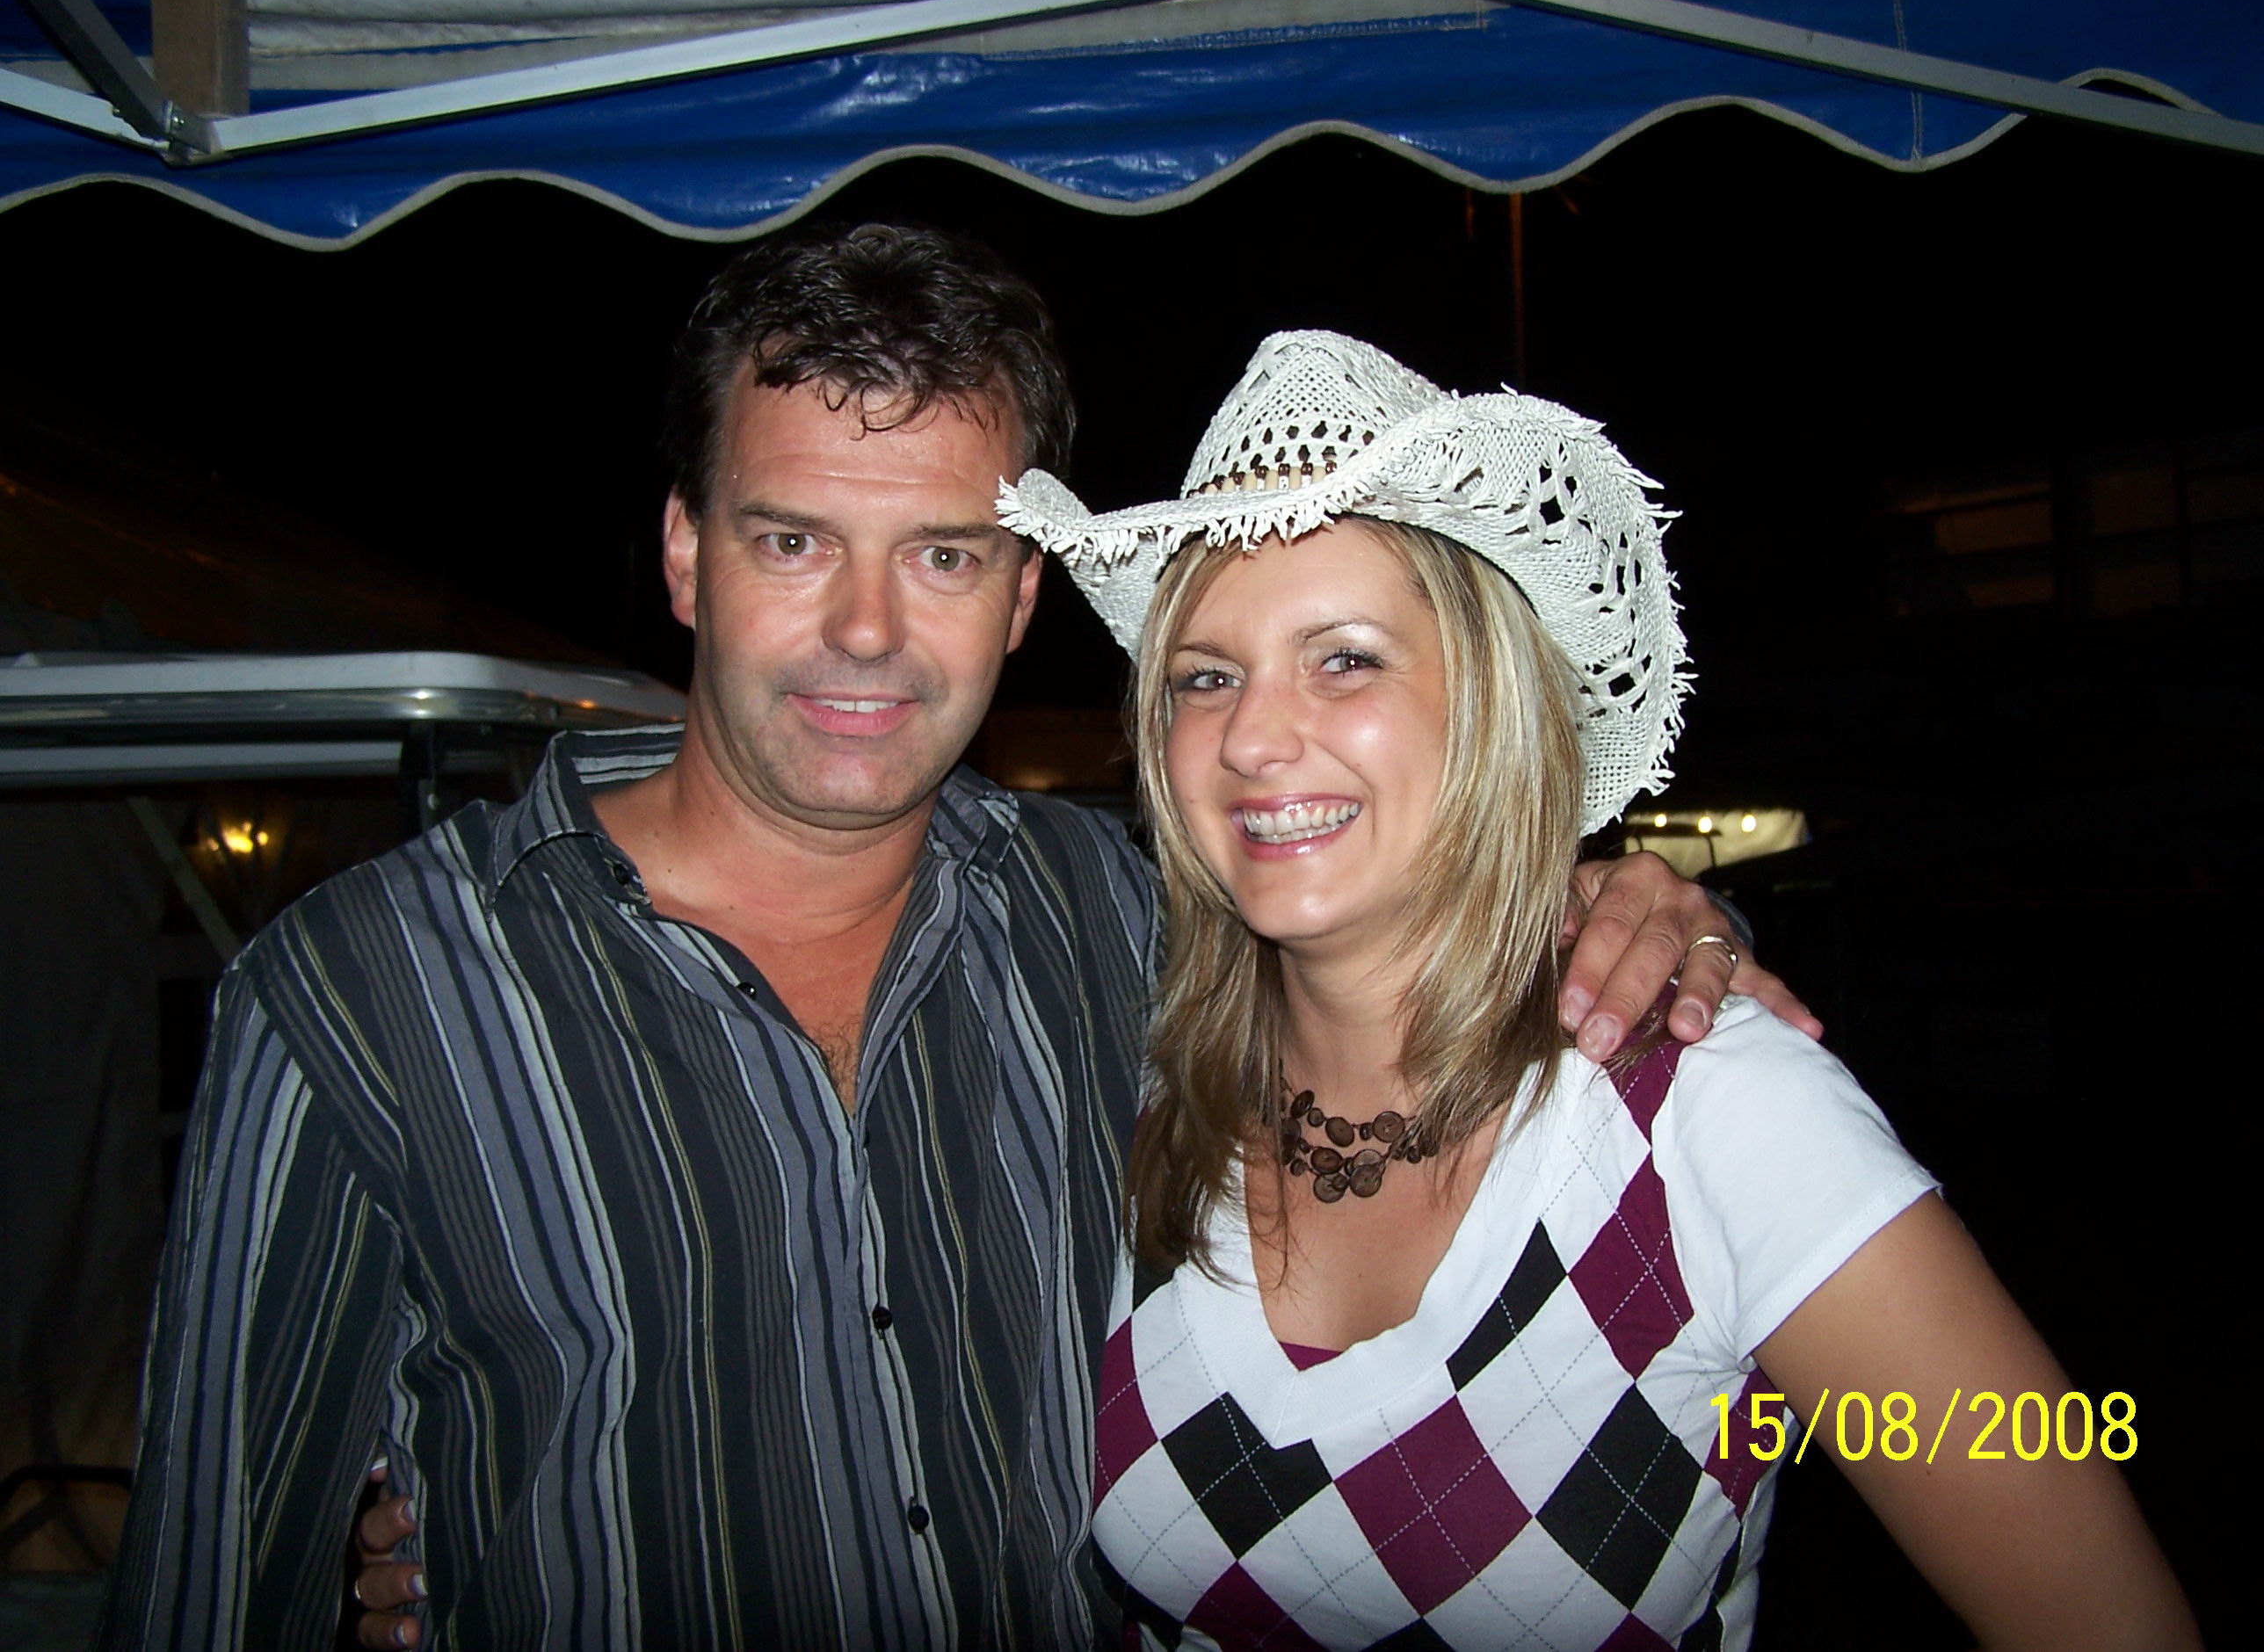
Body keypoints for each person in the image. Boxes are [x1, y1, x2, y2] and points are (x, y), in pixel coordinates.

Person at [102, 228, 1798, 1651]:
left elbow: (1406, 921)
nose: (865, 628)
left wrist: (1641, 903)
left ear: (1021, 594)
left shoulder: (1126, 916)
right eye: (792, 541)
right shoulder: (355, 997)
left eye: (942, 553)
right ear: (687, 556)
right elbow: (212, 1586)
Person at [993, 331, 2200, 1649]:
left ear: (1491, 704)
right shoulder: (1134, 1090)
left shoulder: (1718, 1115)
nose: (1251, 735)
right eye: (1206, 677)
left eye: (1345, 658)